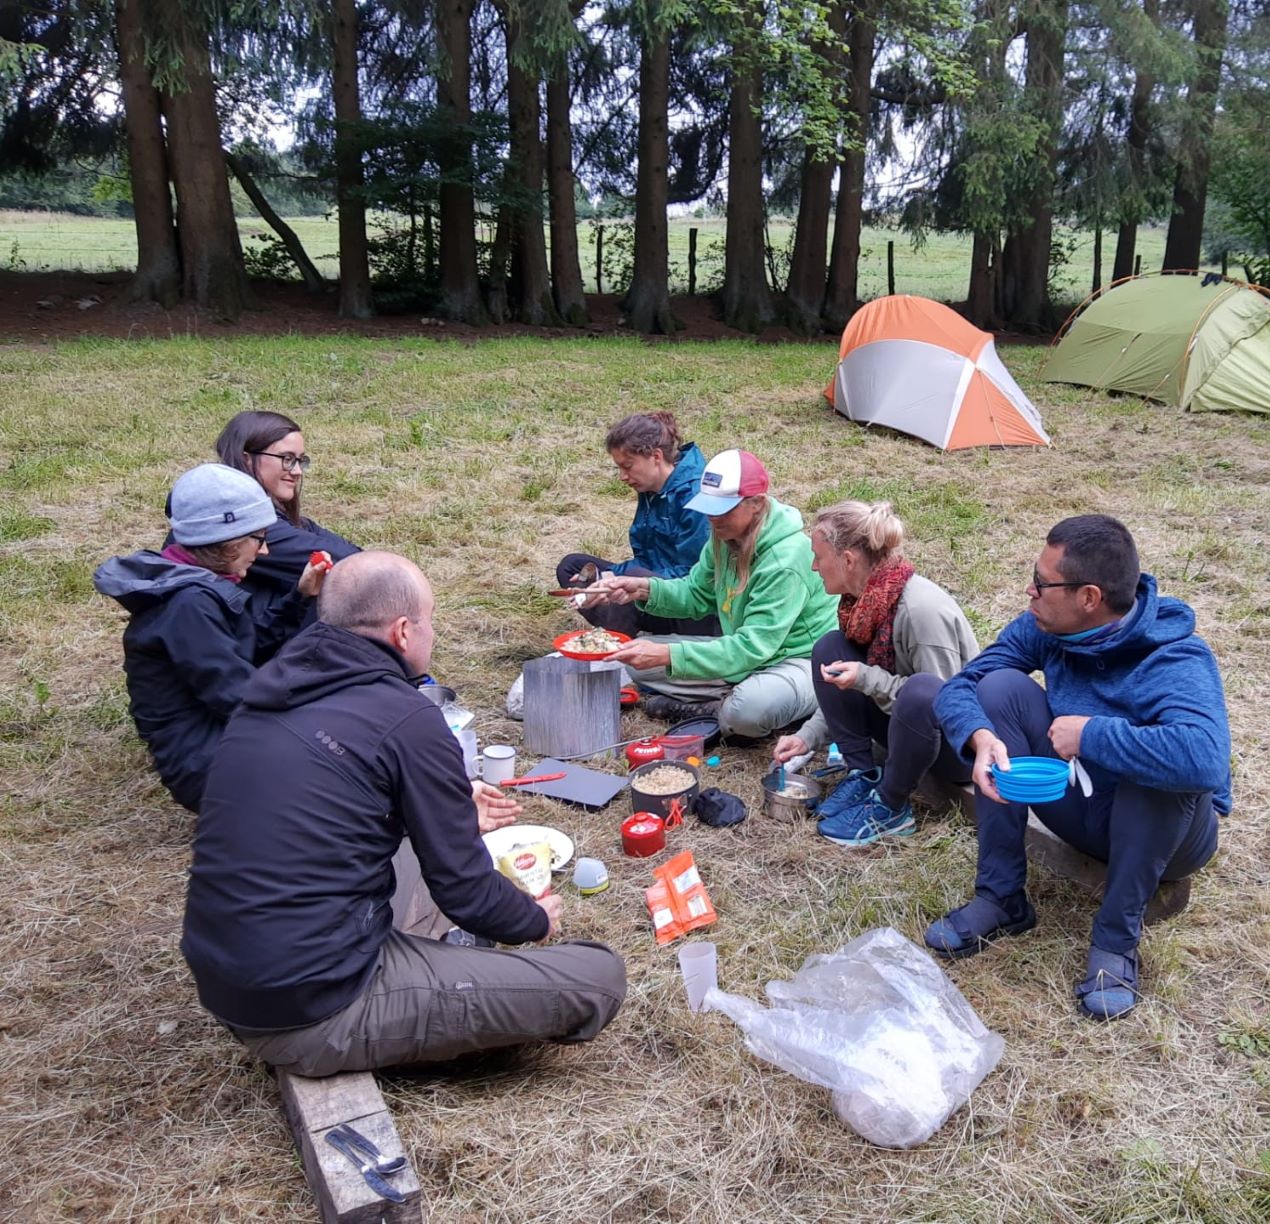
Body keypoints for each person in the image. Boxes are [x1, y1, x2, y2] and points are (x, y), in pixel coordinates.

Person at [180, 551, 626, 1076]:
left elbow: (339, 800)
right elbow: (467, 893)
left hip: (232, 976)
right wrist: (532, 920)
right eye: (431, 622)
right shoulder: (408, 718)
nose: (432, 634)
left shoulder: (269, 694)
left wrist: (449, 803)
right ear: (402, 632)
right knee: (597, 976)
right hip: (318, 1007)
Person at [927, 514, 1230, 1021]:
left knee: (1164, 766)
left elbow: (1204, 761)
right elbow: (963, 685)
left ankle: (1115, 941)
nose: (1030, 591)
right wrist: (980, 738)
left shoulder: (1175, 656)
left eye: (1042, 583)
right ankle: (1001, 898)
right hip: (1084, 805)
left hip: (1167, 834)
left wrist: (1090, 734)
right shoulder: (1046, 625)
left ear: (1089, 597)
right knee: (999, 688)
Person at [94, 463, 330, 812]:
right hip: (209, 768)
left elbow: (247, 643)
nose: (264, 552)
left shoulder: (198, 589)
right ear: (228, 542)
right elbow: (238, 696)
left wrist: (300, 595)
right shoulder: (189, 604)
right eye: (259, 538)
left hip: (218, 745)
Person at [582, 449, 838, 739]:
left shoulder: (785, 560)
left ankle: (732, 709)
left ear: (756, 503)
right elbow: (695, 595)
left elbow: (752, 647)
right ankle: (726, 702)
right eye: (708, 507)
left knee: (749, 710)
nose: (712, 518)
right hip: (747, 656)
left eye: (723, 509)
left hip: (799, 661)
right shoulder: (723, 537)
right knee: (639, 665)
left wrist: (669, 653)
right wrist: (641, 589)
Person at [770, 501, 980, 847]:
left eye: (818, 557)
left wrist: (867, 678)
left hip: (955, 748)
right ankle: (863, 774)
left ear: (848, 560)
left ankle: (892, 806)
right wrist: (808, 736)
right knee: (830, 648)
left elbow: (942, 703)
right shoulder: (864, 603)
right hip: (903, 725)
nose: (813, 566)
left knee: (921, 690)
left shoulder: (919, 610)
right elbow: (853, 679)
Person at [556, 412, 716, 638]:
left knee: (634, 578)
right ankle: (622, 628)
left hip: (696, 609)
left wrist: (629, 581)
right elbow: (649, 559)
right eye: (619, 468)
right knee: (572, 566)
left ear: (656, 456)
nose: (622, 476)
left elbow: (696, 576)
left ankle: (612, 644)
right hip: (657, 591)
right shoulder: (650, 489)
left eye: (628, 466)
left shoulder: (695, 496)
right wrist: (609, 576)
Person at [214, 410, 361, 637]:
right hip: (239, 648)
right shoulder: (236, 523)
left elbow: (354, 557)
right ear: (246, 458)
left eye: (300, 460)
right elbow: (352, 565)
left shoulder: (280, 519)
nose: (297, 471)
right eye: (287, 459)